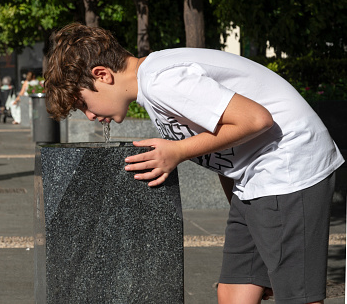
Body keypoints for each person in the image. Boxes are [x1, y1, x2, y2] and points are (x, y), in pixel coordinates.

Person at [44, 23, 344, 304]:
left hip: (287, 167)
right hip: (252, 180)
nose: (90, 116)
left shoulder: (162, 81)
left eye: (83, 104)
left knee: (297, 295)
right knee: (234, 289)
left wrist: (178, 151)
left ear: (102, 75)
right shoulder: (153, 86)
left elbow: (255, 119)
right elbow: (222, 147)